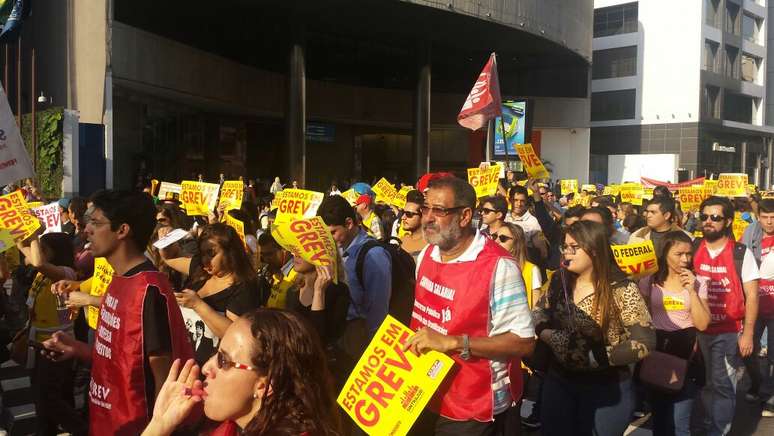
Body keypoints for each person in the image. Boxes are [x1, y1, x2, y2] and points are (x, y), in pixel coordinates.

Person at [41, 190, 194, 436]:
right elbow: (121, 359)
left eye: (96, 222)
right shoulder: (118, 279)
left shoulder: (149, 290)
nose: (86, 229)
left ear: (122, 230)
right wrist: (76, 349)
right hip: (106, 421)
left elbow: (164, 380)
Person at [405, 176, 535, 434]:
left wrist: (454, 342)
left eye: (439, 210)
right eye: (425, 208)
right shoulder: (428, 254)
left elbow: (524, 342)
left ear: (464, 216)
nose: (428, 217)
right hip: (422, 390)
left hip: (473, 407)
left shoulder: (499, 267)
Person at [532, 220, 656, 436]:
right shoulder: (558, 281)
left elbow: (645, 343)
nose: (567, 253)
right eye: (565, 247)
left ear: (595, 250)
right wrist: (549, 335)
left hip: (606, 387)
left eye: (574, 248)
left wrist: (594, 356)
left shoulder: (621, 287)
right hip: (559, 381)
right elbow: (538, 313)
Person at [141, 309, 340, 436]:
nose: (206, 368)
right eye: (215, 354)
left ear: (265, 385)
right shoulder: (232, 427)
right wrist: (160, 424)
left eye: (223, 361)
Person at [693, 196, 759, 435]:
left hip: (729, 331)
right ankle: (711, 422)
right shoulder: (691, 249)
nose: (708, 221)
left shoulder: (741, 253)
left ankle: (719, 430)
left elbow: (752, 296)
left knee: (722, 384)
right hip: (698, 330)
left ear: (728, 221)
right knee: (706, 383)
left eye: (715, 217)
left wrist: (749, 334)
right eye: (704, 217)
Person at [638, 231, 710, 436]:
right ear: (665, 253)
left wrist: (692, 291)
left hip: (686, 354)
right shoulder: (650, 280)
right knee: (660, 420)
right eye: (679, 254)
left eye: (689, 254)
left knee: (680, 424)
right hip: (657, 353)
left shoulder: (699, 282)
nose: (685, 260)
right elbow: (641, 316)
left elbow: (703, 324)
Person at [160, 223, 262, 365]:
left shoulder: (243, 287)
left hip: (211, 371)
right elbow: (169, 259)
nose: (205, 260)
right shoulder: (199, 269)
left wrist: (197, 305)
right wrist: (166, 240)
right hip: (181, 362)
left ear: (230, 252)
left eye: (212, 253)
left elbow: (235, 334)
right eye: (202, 254)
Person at [16, 231, 86, 435]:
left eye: (44, 249)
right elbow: (27, 252)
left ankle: (82, 430)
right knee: (42, 397)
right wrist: (21, 232)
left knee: (49, 398)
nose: (39, 252)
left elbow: (37, 261)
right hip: (38, 342)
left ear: (57, 253)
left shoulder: (66, 273)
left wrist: (35, 234)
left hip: (57, 345)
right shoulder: (44, 271)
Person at [317, 195, 391, 355]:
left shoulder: (374, 256)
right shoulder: (339, 247)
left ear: (349, 223)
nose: (329, 239)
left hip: (360, 340)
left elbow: (378, 311)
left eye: (333, 233)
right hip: (340, 336)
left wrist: (374, 352)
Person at [741, 198, 774, 415]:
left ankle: (769, 394)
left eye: (773, 218)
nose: (770, 222)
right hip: (754, 303)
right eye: (765, 217)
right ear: (758, 217)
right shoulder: (749, 235)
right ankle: (756, 383)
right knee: (748, 350)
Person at [258, 232, 294, 309]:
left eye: (270, 254)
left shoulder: (297, 274)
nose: (266, 259)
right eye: (263, 255)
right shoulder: (270, 273)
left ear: (284, 249)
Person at [395, 189, 428, 259]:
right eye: (403, 213)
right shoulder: (401, 241)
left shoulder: (432, 244)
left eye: (408, 214)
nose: (403, 217)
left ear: (422, 216)